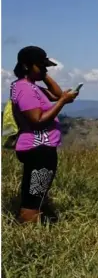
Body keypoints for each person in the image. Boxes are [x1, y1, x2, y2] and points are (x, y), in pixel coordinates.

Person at [9, 46, 79, 223]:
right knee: (33, 198)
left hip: (40, 149)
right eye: (40, 66)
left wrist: (43, 74)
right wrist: (63, 101)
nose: (45, 70)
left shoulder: (32, 87)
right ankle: (28, 236)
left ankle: (30, 228)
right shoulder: (25, 89)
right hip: (39, 150)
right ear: (26, 66)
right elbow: (37, 120)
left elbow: (57, 94)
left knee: (35, 193)